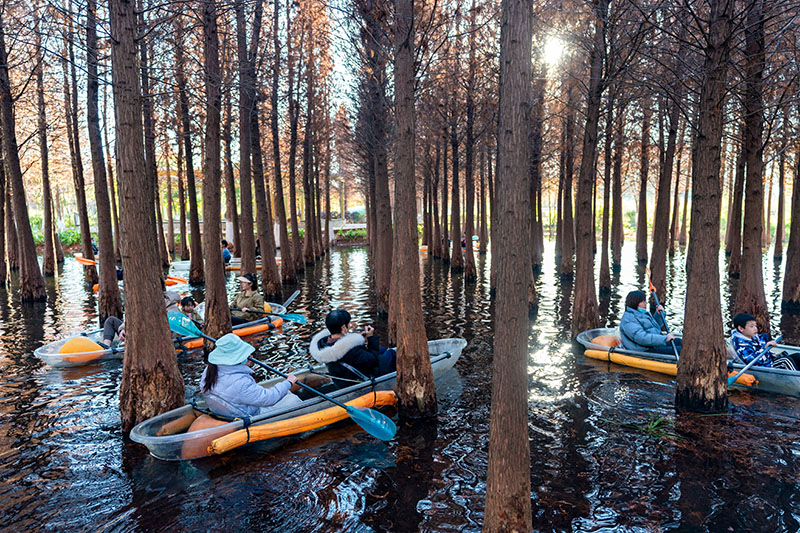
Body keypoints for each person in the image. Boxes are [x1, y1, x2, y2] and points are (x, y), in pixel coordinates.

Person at [200, 333, 301, 418]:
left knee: (285, 393)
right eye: (246, 356)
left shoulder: (209, 370)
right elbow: (268, 398)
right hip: (248, 415)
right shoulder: (240, 382)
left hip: (228, 412)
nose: (250, 357)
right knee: (293, 399)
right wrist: (288, 383)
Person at [309, 309, 396, 385]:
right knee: (391, 353)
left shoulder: (322, 344)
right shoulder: (352, 351)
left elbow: (348, 349)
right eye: (349, 324)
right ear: (343, 327)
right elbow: (373, 361)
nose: (350, 326)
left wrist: (360, 340)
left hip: (344, 379)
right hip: (361, 378)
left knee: (383, 350)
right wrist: (371, 338)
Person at [619, 290, 682, 355]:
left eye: (645, 301)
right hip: (643, 349)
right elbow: (641, 338)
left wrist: (659, 315)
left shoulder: (642, 314)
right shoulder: (629, 319)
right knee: (680, 351)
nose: (645, 304)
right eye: (642, 302)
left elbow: (654, 328)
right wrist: (664, 339)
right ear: (635, 302)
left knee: (679, 342)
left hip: (652, 345)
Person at [730, 313, 799, 370]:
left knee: (797, 356)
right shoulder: (741, 345)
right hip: (762, 367)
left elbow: (761, 349)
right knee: (785, 361)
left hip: (768, 361)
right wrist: (765, 348)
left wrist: (772, 355)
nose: (755, 329)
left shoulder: (753, 337)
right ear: (741, 328)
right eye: (751, 326)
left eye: (755, 326)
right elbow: (752, 361)